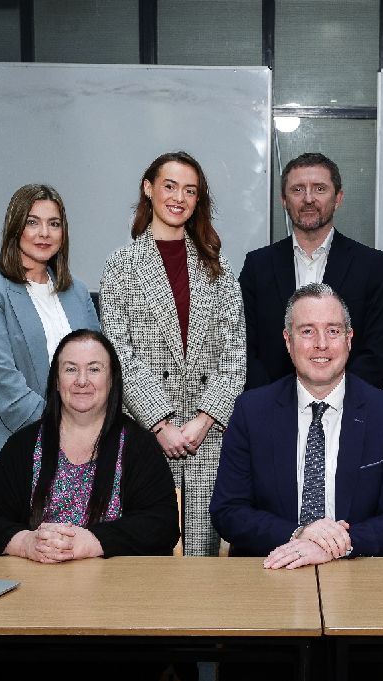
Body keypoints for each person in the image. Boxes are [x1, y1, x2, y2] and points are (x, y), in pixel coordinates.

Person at [210, 283, 383, 681]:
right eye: (307, 331)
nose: (321, 344)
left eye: (332, 330)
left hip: (362, 590)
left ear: (351, 338)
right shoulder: (251, 410)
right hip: (269, 592)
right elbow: (227, 511)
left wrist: (339, 540)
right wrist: (300, 531)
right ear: (287, 341)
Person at [0, 329, 179, 681]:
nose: (82, 380)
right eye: (71, 369)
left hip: (119, 630)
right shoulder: (23, 444)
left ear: (111, 379)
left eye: (94, 369)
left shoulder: (137, 446)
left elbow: (162, 525)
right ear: (56, 380)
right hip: (29, 628)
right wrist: (25, 542)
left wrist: (93, 542)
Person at [99, 151, 245, 558]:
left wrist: (203, 420)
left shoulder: (218, 266)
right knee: (145, 553)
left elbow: (235, 352)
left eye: (190, 191)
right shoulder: (122, 265)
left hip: (207, 437)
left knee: (203, 559)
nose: (178, 197)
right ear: (148, 189)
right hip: (146, 433)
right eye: (170, 186)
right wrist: (161, 424)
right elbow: (118, 352)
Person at [0, 184, 99, 514]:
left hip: (81, 468)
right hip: (11, 463)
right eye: (33, 222)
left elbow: (99, 369)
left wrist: (91, 435)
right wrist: (67, 433)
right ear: (15, 227)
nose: (44, 233)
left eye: (54, 223)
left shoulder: (77, 292)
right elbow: (3, 384)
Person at [240, 152, 383, 390]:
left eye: (320, 189)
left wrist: (330, 400)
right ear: (284, 199)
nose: (309, 198)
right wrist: (276, 402)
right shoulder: (257, 265)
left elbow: (377, 353)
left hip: (351, 410)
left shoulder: (371, 265)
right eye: (298, 189)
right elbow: (243, 348)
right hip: (271, 410)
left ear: (338, 198)